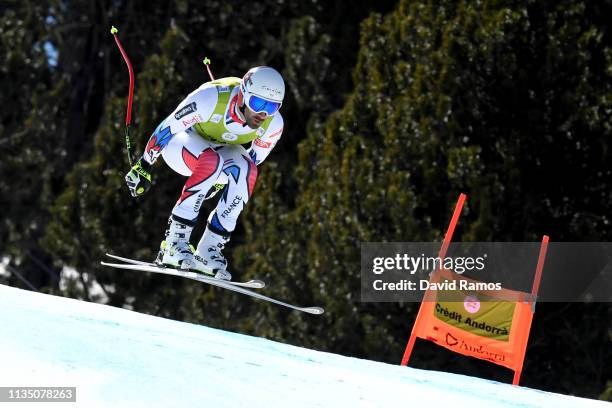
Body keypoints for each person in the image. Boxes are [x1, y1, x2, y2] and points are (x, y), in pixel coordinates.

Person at [124, 66, 285, 281]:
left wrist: (222, 181)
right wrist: (145, 164)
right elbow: (169, 126)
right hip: (181, 144)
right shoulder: (212, 98)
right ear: (244, 93)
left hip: (217, 154)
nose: (263, 114)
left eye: (273, 106)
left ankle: (208, 250)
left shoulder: (273, 124)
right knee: (212, 160)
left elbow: (253, 158)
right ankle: (174, 242)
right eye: (258, 103)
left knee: (247, 171)